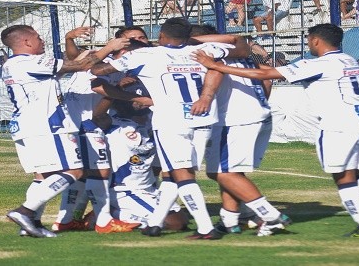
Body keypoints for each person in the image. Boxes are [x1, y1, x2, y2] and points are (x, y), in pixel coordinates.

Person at [194, 23, 359, 238]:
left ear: (315, 41)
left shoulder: (319, 64)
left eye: (308, 40)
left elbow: (266, 75)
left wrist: (218, 67)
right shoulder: (348, 60)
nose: (307, 44)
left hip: (340, 125)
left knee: (343, 178)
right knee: (355, 174)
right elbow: (268, 72)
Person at [90, 17, 250, 240]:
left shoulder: (145, 55)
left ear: (162, 36)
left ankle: (205, 227)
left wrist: (109, 50)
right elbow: (242, 45)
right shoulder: (204, 49)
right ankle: (155, 223)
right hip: (203, 119)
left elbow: (98, 71)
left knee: (182, 176)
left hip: (171, 122)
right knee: (172, 175)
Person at [0, 24, 113, 238]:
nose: (42, 40)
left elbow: (57, 75)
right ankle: (25, 211)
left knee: (44, 176)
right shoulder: (31, 61)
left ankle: (31, 224)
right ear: (26, 42)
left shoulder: (11, 65)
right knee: (74, 171)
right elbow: (81, 65)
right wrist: (111, 46)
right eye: (38, 37)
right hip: (48, 126)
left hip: (27, 125)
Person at [190, 25, 292, 237]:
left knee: (220, 172)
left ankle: (271, 216)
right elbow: (266, 77)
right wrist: (258, 103)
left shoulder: (209, 49)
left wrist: (206, 97)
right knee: (229, 172)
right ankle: (230, 220)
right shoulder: (238, 51)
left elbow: (214, 70)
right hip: (258, 115)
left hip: (237, 119)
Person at [53, 27, 146, 234]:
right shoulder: (97, 59)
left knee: (84, 174)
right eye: (130, 43)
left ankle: (65, 219)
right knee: (99, 170)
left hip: (85, 122)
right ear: (119, 46)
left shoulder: (128, 68)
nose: (136, 46)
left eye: (141, 39)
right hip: (82, 121)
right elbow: (85, 66)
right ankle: (103, 222)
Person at [90, 78, 189, 232]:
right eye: (132, 98)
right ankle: (110, 214)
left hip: (149, 189)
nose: (137, 103)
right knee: (175, 224)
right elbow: (97, 115)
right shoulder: (113, 123)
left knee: (182, 220)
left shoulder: (154, 120)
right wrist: (115, 90)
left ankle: (115, 213)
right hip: (125, 190)